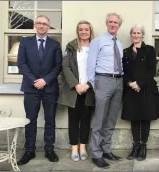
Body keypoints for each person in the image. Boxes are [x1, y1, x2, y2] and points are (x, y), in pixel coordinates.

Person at [17, 15, 62, 165]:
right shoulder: (25, 42)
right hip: (30, 88)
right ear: (35, 26)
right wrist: (34, 81)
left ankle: (49, 149)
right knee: (30, 121)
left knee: (50, 120)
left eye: (45, 24)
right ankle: (29, 151)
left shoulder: (55, 44)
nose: (42, 26)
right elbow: (21, 64)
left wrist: (45, 80)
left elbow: (58, 66)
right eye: (39, 23)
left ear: (49, 27)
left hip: (49, 88)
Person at [121, 24, 159, 161]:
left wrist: (139, 83)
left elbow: (152, 70)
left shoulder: (149, 50)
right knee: (134, 118)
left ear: (142, 35)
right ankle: (135, 146)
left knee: (145, 118)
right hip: (131, 89)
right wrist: (130, 83)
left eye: (138, 33)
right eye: (134, 33)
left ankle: (143, 146)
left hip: (146, 89)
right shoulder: (126, 51)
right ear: (131, 35)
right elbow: (123, 71)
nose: (136, 35)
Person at [87, 12, 124, 168]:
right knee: (100, 119)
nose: (113, 24)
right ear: (106, 23)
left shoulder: (119, 43)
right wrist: (95, 84)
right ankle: (96, 154)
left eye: (115, 22)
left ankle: (106, 149)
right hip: (103, 80)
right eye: (110, 22)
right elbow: (90, 64)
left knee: (111, 118)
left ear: (119, 25)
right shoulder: (98, 41)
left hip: (118, 81)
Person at [57, 20, 95, 162]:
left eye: (86, 29)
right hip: (73, 90)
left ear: (90, 31)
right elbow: (65, 67)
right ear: (77, 31)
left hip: (89, 90)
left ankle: (83, 147)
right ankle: (74, 147)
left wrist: (88, 85)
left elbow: (99, 67)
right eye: (81, 29)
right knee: (73, 119)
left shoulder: (95, 47)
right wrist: (76, 85)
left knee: (86, 119)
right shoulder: (71, 46)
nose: (84, 32)